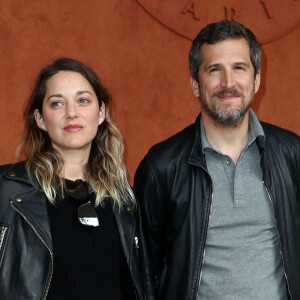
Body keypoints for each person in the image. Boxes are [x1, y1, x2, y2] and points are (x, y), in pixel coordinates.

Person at [134, 20, 300, 300]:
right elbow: (143, 271)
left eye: (239, 68)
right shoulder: (161, 167)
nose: (228, 83)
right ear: (196, 84)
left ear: (257, 80)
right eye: (214, 70)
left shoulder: (291, 153)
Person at [0, 58, 144, 299]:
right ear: (40, 119)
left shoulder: (125, 202)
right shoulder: (7, 190)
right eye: (57, 103)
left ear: (101, 113)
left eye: (83, 100)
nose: (72, 113)